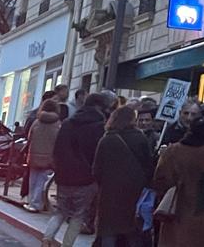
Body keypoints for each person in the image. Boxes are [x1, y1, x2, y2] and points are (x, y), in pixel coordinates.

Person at [42, 92, 114, 247]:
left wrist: (59, 169)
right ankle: (66, 244)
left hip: (64, 175)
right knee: (78, 215)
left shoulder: (68, 123)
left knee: (60, 211)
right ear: (100, 107)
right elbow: (98, 154)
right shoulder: (99, 127)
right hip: (86, 178)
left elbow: (57, 149)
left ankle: (47, 238)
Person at [152, 116, 204, 247]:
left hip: (174, 208)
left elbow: (160, 178)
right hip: (201, 210)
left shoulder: (172, 150)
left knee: (171, 241)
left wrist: (163, 197)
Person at [93, 105, 155, 247]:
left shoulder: (106, 139)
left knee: (109, 229)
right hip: (134, 192)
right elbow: (148, 165)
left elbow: (96, 170)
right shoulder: (140, 138)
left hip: (109, 194)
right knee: (131, 229)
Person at [25, 99, 62, 213]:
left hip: (34, 155)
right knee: (42, 181)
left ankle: (32, 202)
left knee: (33, 179)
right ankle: (37, 203)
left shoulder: (37, 122)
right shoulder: (58, 124)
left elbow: (29, 137)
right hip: (49, 157)